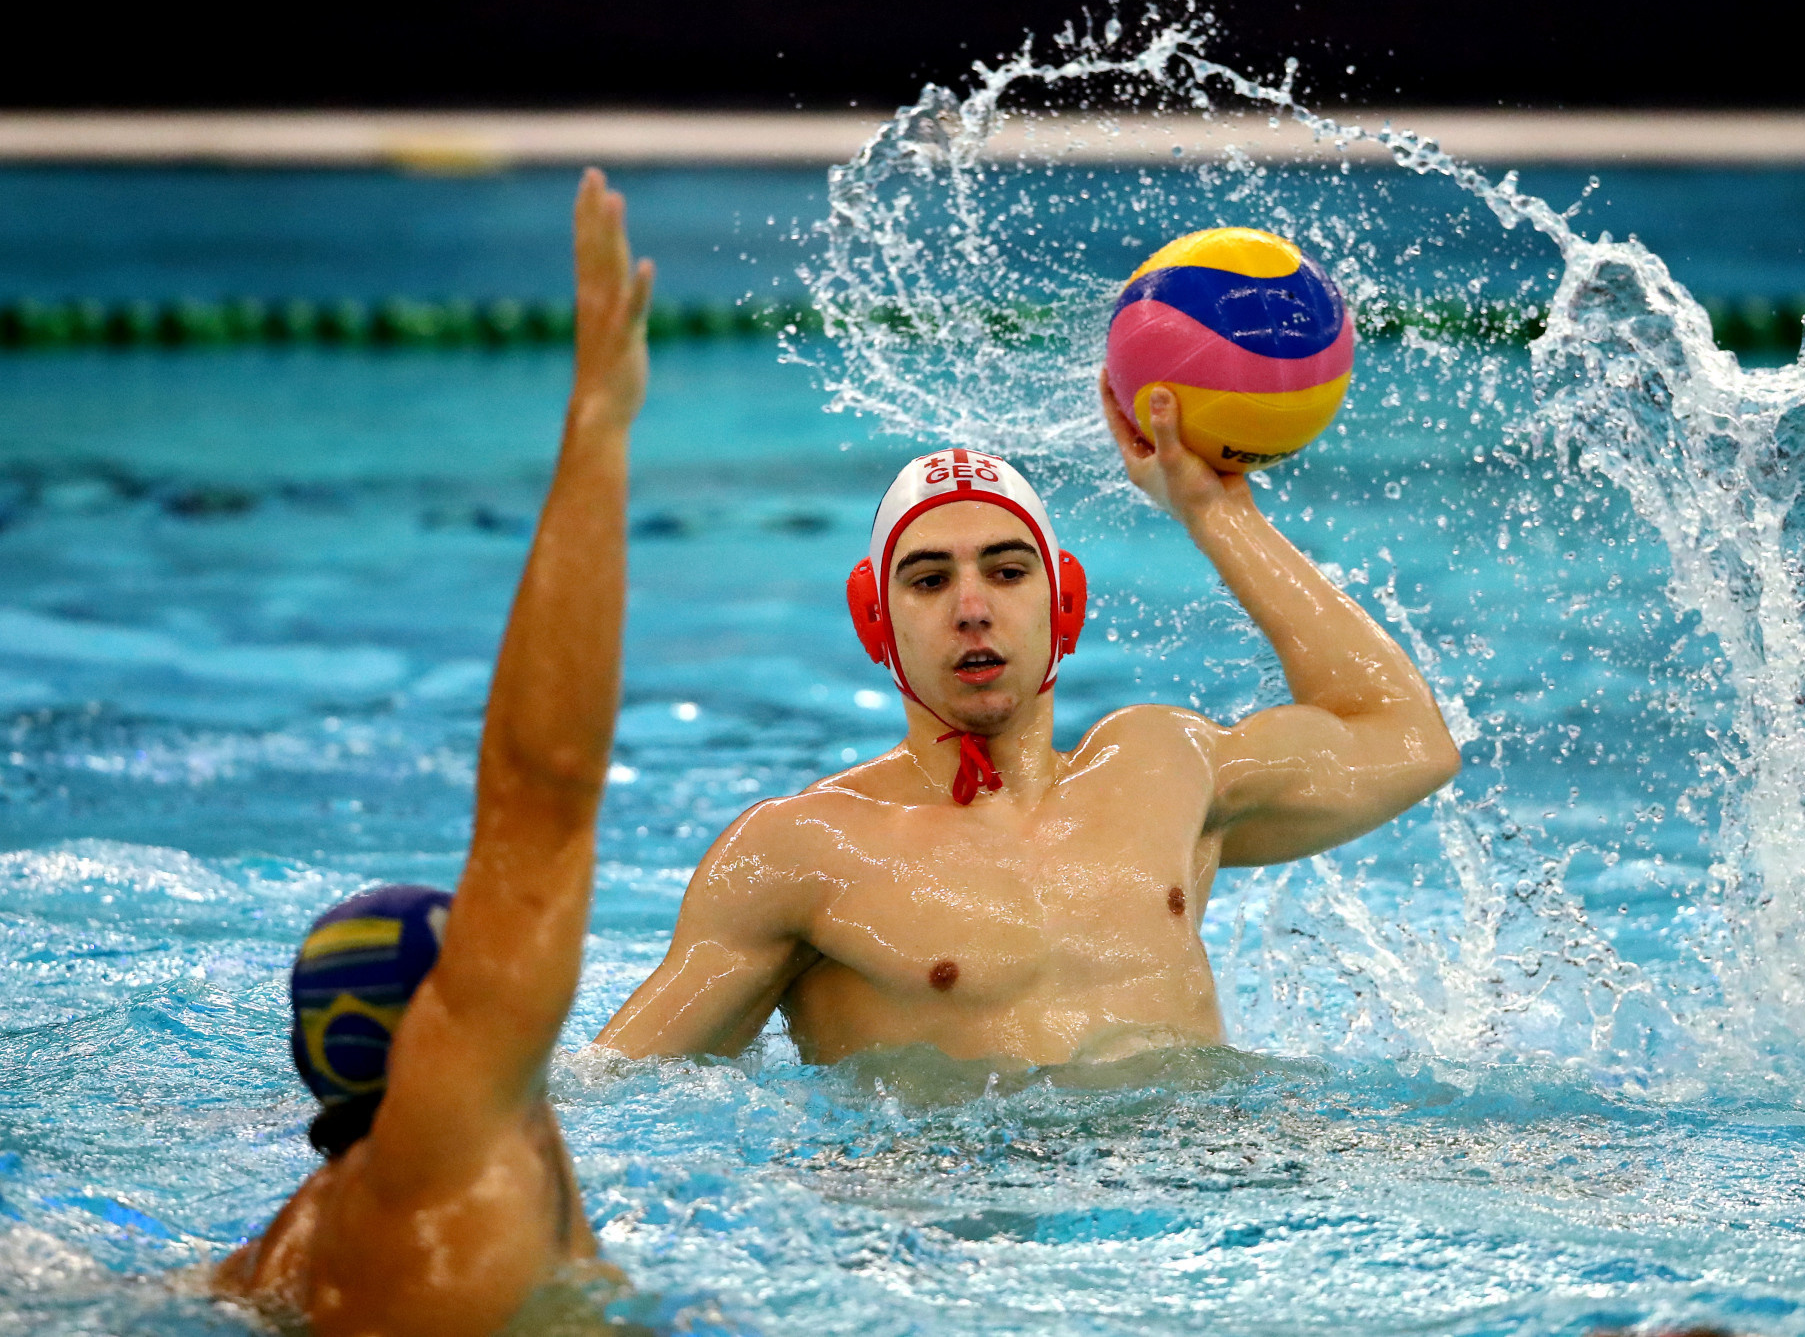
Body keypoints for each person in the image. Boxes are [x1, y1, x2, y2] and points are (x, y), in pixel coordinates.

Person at [597, 371, 1461, 1068]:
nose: (972, 609)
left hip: (1195, 1222)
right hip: (960, 1238)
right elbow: (602, 1098)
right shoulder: (799, 852)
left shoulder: (1162, 767)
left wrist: (1216, 511)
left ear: (1066, 602)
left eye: (1008, 572)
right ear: (876, 621)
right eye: (929, 580)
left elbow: (1407, 741)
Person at [213, 168, 653, 1336]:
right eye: (474, 974)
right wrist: (596, 433)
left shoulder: (283, 1250)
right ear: (441, 1031)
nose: (519, 978)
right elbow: (539, 796)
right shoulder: (459, 1153)